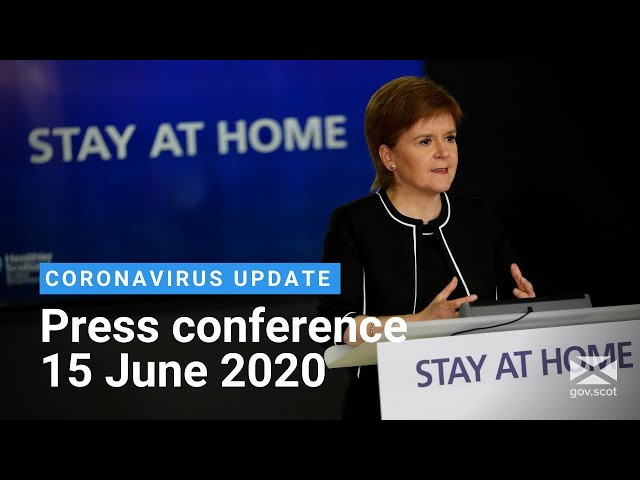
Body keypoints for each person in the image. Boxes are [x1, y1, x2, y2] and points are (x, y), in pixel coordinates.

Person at [316, 75, 537, 420]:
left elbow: (509, 300)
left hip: (481, 398)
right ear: (388, 156)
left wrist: (525, 306)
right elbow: (334, 326)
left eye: (449, 137)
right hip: (386, 404)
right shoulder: (353, 222)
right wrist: (418, 323)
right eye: (425, 141)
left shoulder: (475, 215)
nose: (443, 152)